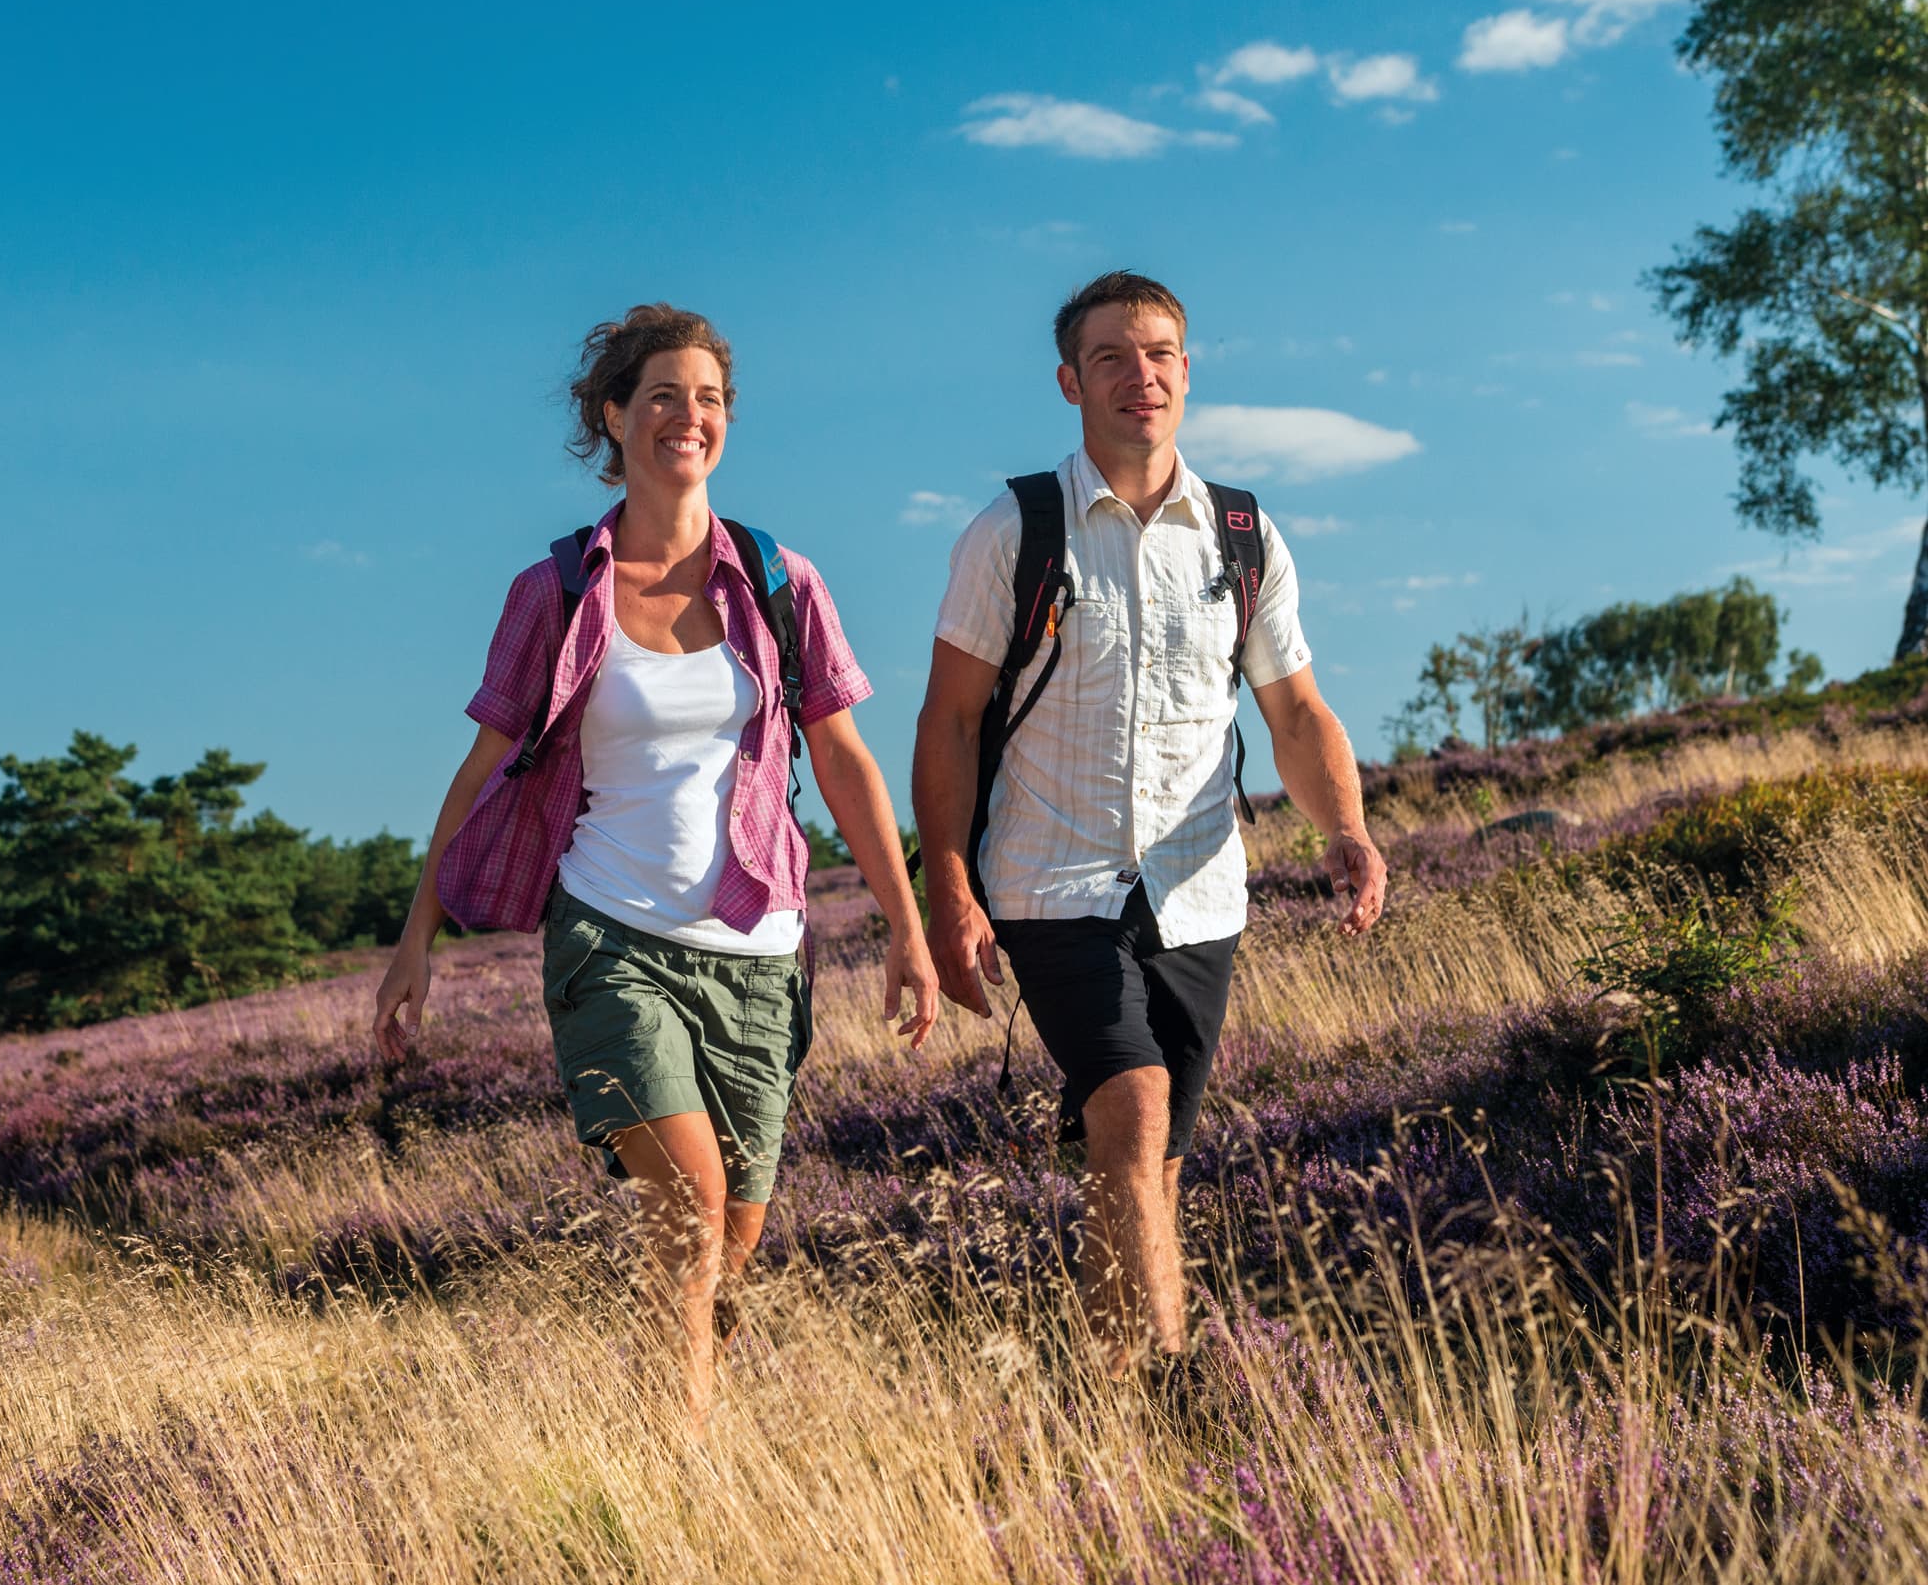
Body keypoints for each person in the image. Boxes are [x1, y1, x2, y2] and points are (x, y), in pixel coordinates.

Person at [376, 305, 937, 1424]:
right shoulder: (559, 590)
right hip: (611, 931)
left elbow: (846, 763)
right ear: (613, 417)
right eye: (666, 396)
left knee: (732, 1238)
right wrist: (416, 936)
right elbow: (484, 765)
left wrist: (909, 928)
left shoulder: (782, 583)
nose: (691, 417)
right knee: (688, 1196)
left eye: (711, 399)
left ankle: (684, 1411)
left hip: (761, 949)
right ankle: (682, 1457)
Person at [911, 270, 1386, 1382]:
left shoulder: (1241, 532)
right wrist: (947, 885)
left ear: (1188, 370)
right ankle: (1178, 1389)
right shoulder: (1015, 530)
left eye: (1163, 353)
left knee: (1155, 1161)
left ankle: (1112, 1385)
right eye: (1115, 357)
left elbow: (1295, 707)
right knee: (1130, 1113)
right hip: (1051, 880)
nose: (1143, 375)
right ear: (1072, 382)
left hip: (1200, 890)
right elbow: (950, 720)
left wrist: (1347, 830)